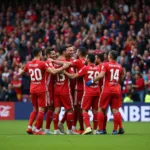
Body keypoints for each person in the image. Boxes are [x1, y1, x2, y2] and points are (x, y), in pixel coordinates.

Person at [18, 48, 69, 135]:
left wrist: (19, 69)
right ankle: (38, 130)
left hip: (32, 89)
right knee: (42, 109)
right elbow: (53, 72)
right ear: (39, 54)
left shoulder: (28, 64)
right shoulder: (42, 64)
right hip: (42, 89)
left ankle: (30, 127)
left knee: (34, 109)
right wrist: (63, 67)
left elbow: (20, 73)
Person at [86, 50, 124, 135]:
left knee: (100, 109)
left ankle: (101, 130)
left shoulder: (105, 65)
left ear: (110, 56)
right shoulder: (120, 66)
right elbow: (121, 79)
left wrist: (91, 81)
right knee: (115, 110)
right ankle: (115, 130)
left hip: (107, 90)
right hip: (117, 89)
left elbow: (101, 75)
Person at [53, 47, 87, 134]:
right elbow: (72, 74)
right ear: (64, 51)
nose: (72, 52)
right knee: (72, 109)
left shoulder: (71, 61)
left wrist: (54, 61)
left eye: (73, 50)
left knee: (65, 109)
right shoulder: (70, 62)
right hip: (70, 88)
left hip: (64, 87)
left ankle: (58, 128)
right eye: (70, 50)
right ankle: (71, 129)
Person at [64, 54, 100, 135]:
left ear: (88, 59)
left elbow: (73, 76)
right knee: (95, 111)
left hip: (88, 92)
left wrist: (64, 71)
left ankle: (88, 127)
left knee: (84, 110)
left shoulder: (85, 68)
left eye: (86, 58)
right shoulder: (98, 68)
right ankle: (95, 130)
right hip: (97, 91)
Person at [52, 46, 76, 135]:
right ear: (63, 52)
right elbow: (73, 75)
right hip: (65, 89)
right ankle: (69, 130)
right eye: (67, 51)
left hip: (56, 88)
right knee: (70, 110)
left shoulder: (55, 63)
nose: (68, 52)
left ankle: (56, 130)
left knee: (57, 109)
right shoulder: (67, 63)